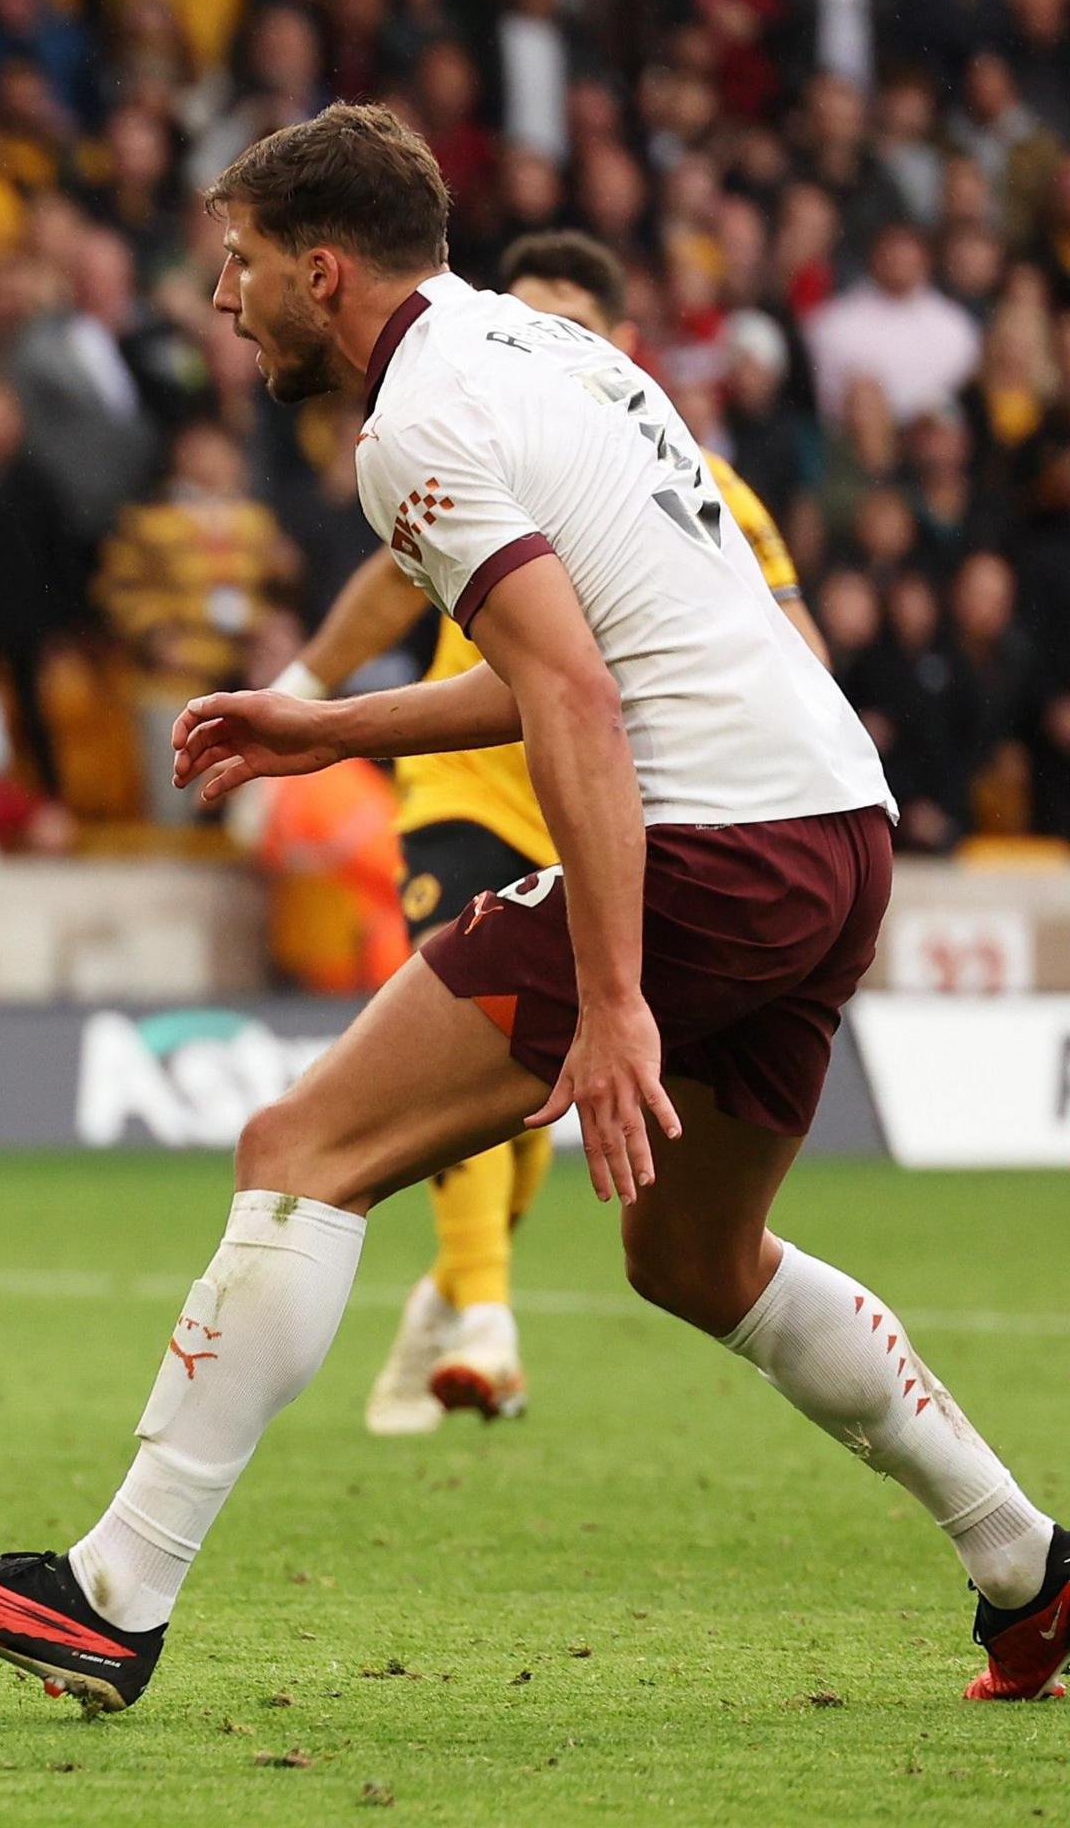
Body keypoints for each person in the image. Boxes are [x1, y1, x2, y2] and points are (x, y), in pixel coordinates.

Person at [0, 105, 1068, 1715]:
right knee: (695, 1258)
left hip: (707, 841)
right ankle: (1030, 1571)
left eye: (239, 267)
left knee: (301, 1151)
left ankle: (111, 1593)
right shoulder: (544, 347)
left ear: (322, 268)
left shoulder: (410, 425)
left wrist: (619, 993)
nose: (225, 303)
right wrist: (333, 726)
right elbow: (608, 657)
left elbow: (573, 687)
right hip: (834, 824)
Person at [280, 228, 828, 1437]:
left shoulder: (702, 481)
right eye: (530, 314)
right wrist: (311, 688)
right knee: (441, 1034)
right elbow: (392, 575)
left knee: (518, 1096)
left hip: (618, 822)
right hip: (467, 791)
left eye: (574, 318)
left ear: (622, 342)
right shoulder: (464, 427)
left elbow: (792, 652)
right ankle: (485, 1316)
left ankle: (450, 1295)